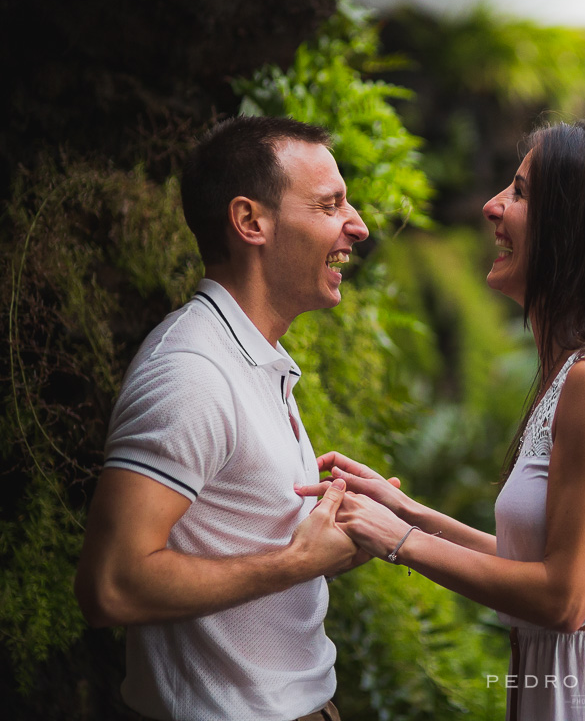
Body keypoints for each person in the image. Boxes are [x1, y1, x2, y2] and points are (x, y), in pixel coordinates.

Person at [297, 119, 585, 719]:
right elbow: (539, 566)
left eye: (520, 192)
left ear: (577, 229)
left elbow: (565, 597)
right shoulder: (580, 373)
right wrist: (407, 512)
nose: (492, 206)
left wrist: (398, 542)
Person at [74, 116, 370, 721]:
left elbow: (226, 526)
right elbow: (111, 584)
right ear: (250, 222)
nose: (357, 225)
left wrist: (333, 525)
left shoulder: (249, 356)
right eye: (329, 204)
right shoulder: (191, 371)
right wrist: (297, 562)